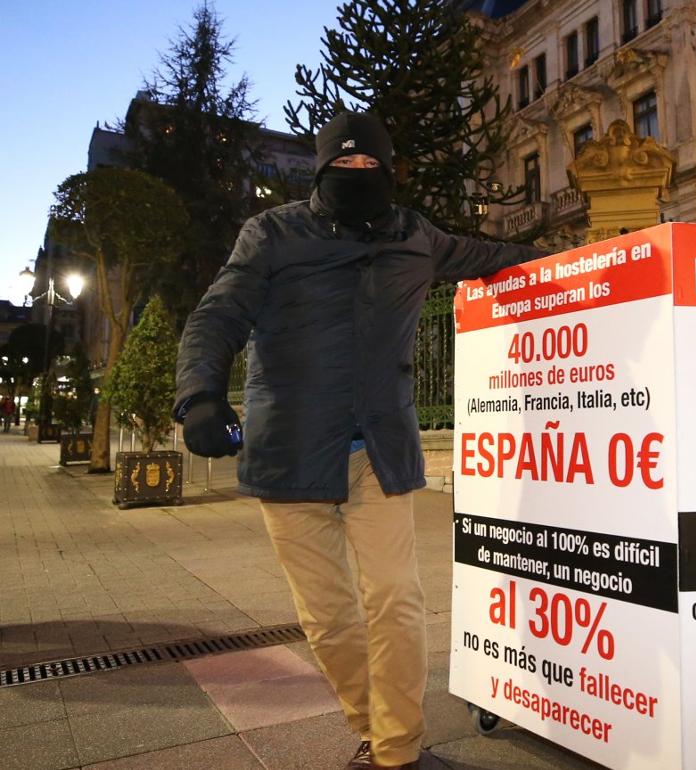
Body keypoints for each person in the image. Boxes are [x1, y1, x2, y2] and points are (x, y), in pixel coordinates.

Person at [175, 111, 543, 770]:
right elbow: (220, 312)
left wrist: (604, 258)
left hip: (378, 449)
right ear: (321, 169)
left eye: (369, 163)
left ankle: (396, 752)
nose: (356, 172)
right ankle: (372, 727)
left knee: (396, 601)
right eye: (342, 163)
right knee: (328, 618)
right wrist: (200, 395)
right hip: (290, 453)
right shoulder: (272, 233)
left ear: (389, 170)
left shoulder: (416, 236)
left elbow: (498, 258)